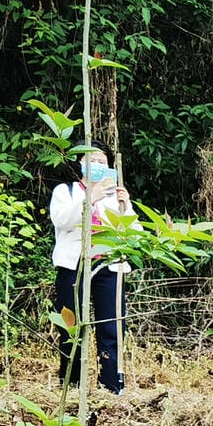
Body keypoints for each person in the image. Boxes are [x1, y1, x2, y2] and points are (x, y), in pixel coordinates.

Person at [49, 148, 133, 397]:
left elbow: (131, 233)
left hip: (109, 266)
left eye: (102, 161)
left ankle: (112, 386)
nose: (97, 165)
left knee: (111, 326)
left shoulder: (115, 198)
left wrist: (125, 206)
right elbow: (62, 221)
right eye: (91, 160)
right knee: (71, 325)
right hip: (74, 267)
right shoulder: (67, 192)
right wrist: (90, 198)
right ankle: (71, 385)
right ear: (80, 164)